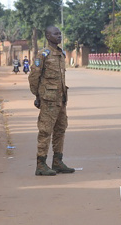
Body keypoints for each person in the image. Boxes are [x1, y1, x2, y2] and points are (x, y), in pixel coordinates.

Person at [28, 25, 75, 176]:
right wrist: (37, 96)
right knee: (45, 131)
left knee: (61, 129)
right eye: (56, 34)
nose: (59, 36)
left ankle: (57, 161)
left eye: (60, 34)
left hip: (61, 99)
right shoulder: (43, 54)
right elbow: (34, 77)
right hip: (48, 100)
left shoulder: (60, 54)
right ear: (48, 36)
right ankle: (41, 164)